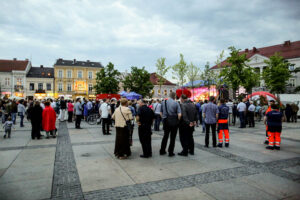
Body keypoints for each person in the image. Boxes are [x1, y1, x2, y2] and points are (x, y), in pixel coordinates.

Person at [160, 92, 182, 157]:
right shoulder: (176, 103)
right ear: (174, 96)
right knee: (172, 137)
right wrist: (178, 121)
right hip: (174, 122)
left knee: (165, 136)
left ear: (169, 96)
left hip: (165, 121)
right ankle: (170, 152)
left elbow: (160, 113)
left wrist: (164, 118)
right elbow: (179, 114)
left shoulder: (163, 102)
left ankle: (162, 150)